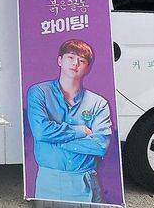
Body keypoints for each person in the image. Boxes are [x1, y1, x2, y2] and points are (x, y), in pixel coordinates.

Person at [27, 40, 112, 203]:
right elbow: (40, 131)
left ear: (87, 68)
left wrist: (55, 142)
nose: (75, 63)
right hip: (48, 182)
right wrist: (81, 131)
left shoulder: (98, 103)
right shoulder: (39, 92)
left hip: (85, 182)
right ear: (60, 60)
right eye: (71, 57)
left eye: (82, 60)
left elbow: (100, 146)